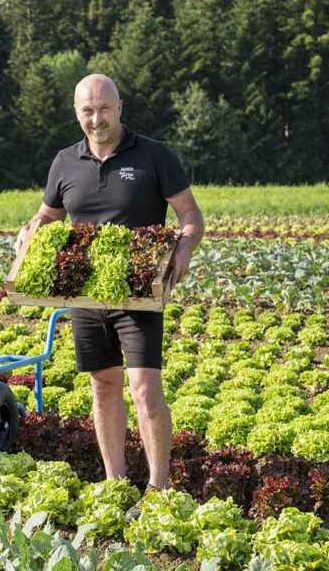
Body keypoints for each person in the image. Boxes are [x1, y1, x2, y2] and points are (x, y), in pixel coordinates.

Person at [15, 74, 204, 521]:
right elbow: (47, 215)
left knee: (144, 388)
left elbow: (191, 216)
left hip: (139, 294)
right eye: (87, 110)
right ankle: (114, 480)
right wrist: (29, 231)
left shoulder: (154, 156)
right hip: (86, 296)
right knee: (102, 387)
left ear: (120, 108)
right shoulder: (65, 162)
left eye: (104, 108)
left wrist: (184, 246)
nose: (96, 118)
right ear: (76, 113)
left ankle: (159, 486)